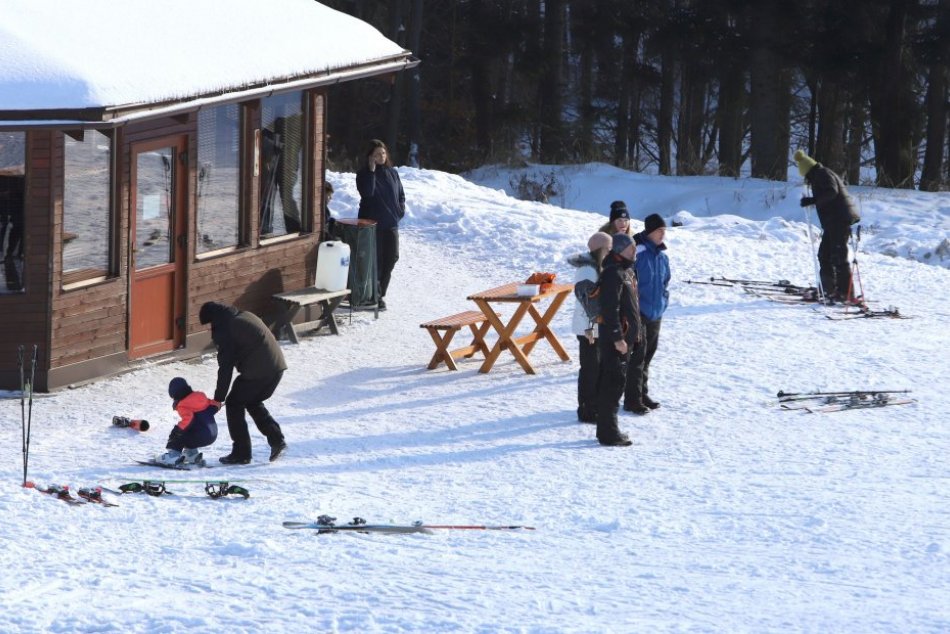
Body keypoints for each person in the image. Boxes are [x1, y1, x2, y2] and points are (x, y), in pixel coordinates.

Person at [199, 301, 288, 464]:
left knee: (234, 403)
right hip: (276, 368)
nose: (208, 329)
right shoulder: (244, 315)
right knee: (252, 401)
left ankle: (241, 453)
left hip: (260, 370)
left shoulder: (227, 329)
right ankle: (277, 440)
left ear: (214, 319)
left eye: (208, 324)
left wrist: (218, 399)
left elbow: (225, 368)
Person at [594, 233, 643, 447]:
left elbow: (632, 305)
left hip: (627, 336)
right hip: (616, 339)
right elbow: (610, 309)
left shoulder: (627, 270)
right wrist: (618, 338)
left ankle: (608, 428)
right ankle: (608, 432)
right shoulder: (613, 273)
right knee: (613, 383)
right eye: (631, 249)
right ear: (620, 250)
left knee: (616, 381)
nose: (635, 252)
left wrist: (636, 332)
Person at [794, 149, 861, 303]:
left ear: (808, 171)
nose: (807, 180)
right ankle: (828, 289)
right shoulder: (820, 174)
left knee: (838, 256)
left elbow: (831, 192)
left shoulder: (823, 174)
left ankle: (846, 293)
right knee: (824, 255)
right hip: (833, 221)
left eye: (806, 177)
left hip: (839, 219)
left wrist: (813, 200)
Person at [624, 214, 670, 415]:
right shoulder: (638, 252)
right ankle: (632, 399)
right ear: (650, 231)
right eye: (660, 231)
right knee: (638, 355)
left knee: (648, 354)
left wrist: (663, 300)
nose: (663, 235)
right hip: (638, 312)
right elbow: (627, 281)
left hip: (656, 312)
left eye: (664, 231)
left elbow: (665, 281)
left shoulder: (662, 256)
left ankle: (642, 393)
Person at [356, 139, 405, 311]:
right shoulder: (363, 175)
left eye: (383, 153)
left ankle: (379, 294)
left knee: (392, 258)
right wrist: (371, 171)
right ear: (370, 156)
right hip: (372, 225)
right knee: (375, 261)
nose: (381, 156)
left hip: (391, 224)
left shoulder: (392, 173)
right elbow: (367, 193)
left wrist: (400, 210)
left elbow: (401, 194)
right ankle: (374, 297)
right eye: (377, 154)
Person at [569, 231, 612, 423]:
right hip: (589, 329)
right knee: (590, 369)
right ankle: (587, 409)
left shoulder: (597, 267)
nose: (612, 251)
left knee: (598, 367)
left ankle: (596, 404)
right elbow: (588, 300)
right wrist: (600, 319)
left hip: (596, 327)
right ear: (600, 250)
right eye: (609, 248)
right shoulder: (587, 270)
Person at [156, 377, 220, 467]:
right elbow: (214, 405)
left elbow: (188, 419)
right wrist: (217, 406)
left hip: (203, 434)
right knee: (191, 431)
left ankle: (172, 456)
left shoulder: (183, 404)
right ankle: (191, 454)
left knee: (180, 435)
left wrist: (176, 431)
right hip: (212, 433)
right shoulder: (200, 397)